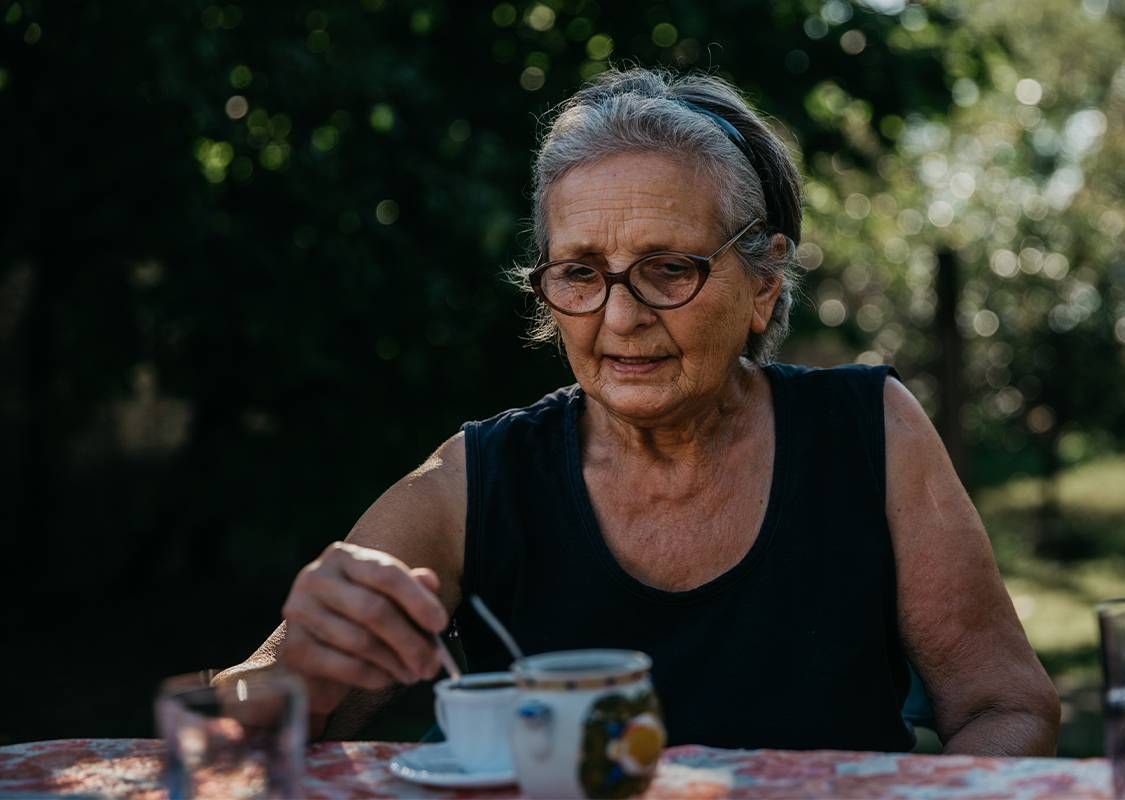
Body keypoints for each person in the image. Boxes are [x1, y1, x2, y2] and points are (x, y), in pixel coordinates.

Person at [217, 68, 1060, 754]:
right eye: (581, 273)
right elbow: (237, 722)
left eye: (668, 269)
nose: (621, 318)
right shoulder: (478, 480)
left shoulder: (871, 434)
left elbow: (1006, 707)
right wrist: (304, 675)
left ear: (762, 289)